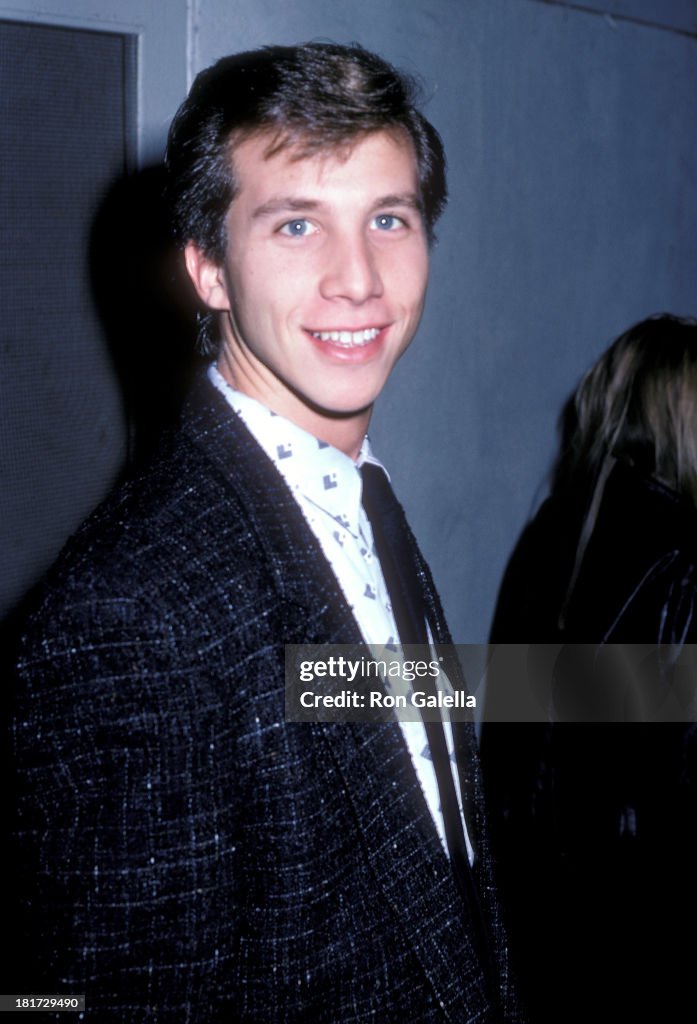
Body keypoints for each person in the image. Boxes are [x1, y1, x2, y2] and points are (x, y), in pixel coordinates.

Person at [10, 43, 521, 1022]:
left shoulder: (356, 501)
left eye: (387, 218)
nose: (358, 280)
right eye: (296, 224)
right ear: (206, 267)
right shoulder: (131, 622)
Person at [480, 313, 697, 1023]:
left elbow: (509, 718)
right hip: (643, 942)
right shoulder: (685, 562)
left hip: (534, 923)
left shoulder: (547, 535)